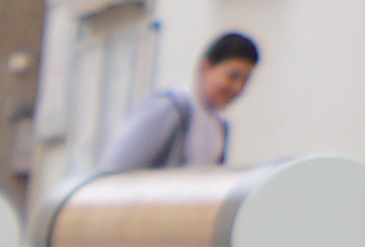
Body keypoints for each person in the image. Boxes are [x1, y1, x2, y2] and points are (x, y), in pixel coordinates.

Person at [92, 30, 258, 180]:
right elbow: (113, 172)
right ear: (207, 67)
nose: (238, 88)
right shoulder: (170, 109)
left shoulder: (219, 128)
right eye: (232, 76)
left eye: (245, 80)